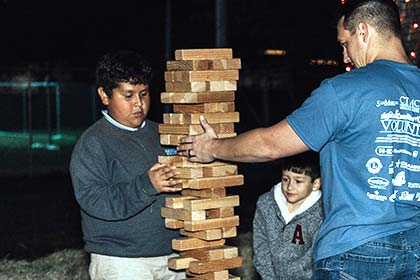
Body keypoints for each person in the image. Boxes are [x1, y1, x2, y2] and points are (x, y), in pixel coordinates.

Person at [178, 0, 420, 278]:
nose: (345, 57)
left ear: (363, 31)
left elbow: (271, 144)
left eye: (345, 43)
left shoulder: (344, 90)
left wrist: (211, 147)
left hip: (356, 248)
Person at [70, 50, 185, 280]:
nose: (139, 104)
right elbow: (95, 200)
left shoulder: (163, 134)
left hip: (173, 256)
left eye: (144, 94)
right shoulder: (93, 143)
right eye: (128, 95)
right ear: (104, 95)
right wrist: (147, 185)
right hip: (122, 262)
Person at [253, 152, 323, 280]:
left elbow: (316, 257)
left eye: (298, 181)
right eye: (285, 179)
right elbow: (260, 246)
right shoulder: (266, 204)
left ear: (315, 184)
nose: (290, 186)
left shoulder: (321, 213)